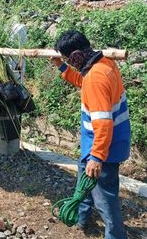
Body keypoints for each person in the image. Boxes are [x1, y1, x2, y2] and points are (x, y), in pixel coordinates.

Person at [51, 30, 130, 239]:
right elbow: (83, 81)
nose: (70, 62)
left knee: (105, 199)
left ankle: (115, 236)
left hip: (103, 148)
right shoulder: (104, 64)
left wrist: (96, 158)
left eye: (69, 59)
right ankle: (82, 219)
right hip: (98, 145)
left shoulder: (96, 78)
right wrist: (61, 66)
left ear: (76, 56)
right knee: (83, 183)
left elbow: (103, 124)